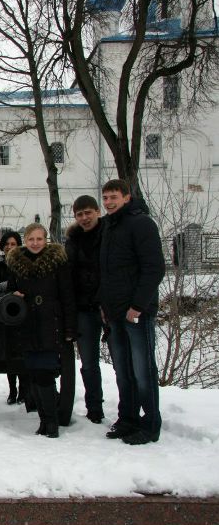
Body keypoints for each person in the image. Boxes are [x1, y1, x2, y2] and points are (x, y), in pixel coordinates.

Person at [98, 179, 165, 445]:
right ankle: (127, 418)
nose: (109, 202)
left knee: (143, 369)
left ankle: (149, 425)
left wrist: (137, 305)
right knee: (123, 371)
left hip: (135, 312)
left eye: (114, 197)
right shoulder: (109, 227)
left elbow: (154, 268)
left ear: (127, 197)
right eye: (105, 197)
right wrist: (104, 305)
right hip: (114, 312)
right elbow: (106, 272)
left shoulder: (142, 224)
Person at [6, 223, 77, 438]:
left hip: (50, 323)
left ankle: (52, 422)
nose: (35, 243)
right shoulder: (17, 264)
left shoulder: (57, 263)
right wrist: (14, 294)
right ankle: (44, 421)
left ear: (45, 240)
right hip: (28, 325)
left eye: (39, 239)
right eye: (31, 239)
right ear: (25, 241)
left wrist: (69, 328)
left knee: (46, 373)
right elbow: (10, 288)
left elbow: (67, 295)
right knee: (34, 374)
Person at [65, 195, 106, 424]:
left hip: (107, 306)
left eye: (88, 212)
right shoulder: (73, 241)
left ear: (97, 212)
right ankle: (95, 409)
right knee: (89, 363)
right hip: (83, 308)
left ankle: (129, 409)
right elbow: (68, 275)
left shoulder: (109, 235)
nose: (84, 218)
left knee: (123, 362)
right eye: (80, 214)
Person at [0, 231, 28, 405]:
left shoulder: (24, 263)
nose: (10, 247)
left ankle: (24, 390)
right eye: (7, 244)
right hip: (3, 313)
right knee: (9, 353)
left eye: (13, 244)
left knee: (21, 353)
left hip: (22, 314)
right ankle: (13, 390)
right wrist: (8, 290)